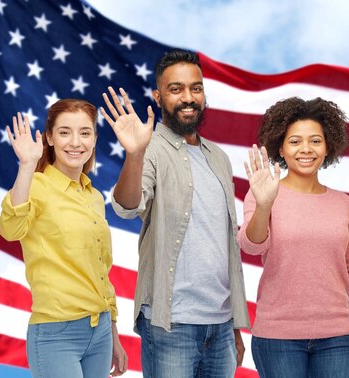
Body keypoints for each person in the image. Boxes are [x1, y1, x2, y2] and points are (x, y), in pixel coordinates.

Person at [99, 48, 250, 378]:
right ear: (158, 96)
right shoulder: (151, 149)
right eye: (176, 89)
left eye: (195, 88)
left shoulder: (219, 158)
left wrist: (235, 325)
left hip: (221, 327)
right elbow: (126, 207)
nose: (188, 97)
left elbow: (225, 246)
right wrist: (135, 154)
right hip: (170, 324)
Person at [238, 97, 349, 378]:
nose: (305, 149)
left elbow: (346, 274)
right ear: (280, 149)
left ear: (327, 146)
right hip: (278, 337)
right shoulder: (263, 194)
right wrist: (264, 205)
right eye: (295, 141)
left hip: (337, 338)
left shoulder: (343, 204)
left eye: (315, 141)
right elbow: (250, 245)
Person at [0, 99, 128, 378]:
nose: (75, 142)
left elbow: (101, 271)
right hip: (56, 334)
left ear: (94, 139)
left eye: (85, 132)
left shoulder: (93, 196)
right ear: (49, 138)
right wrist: (26, 166)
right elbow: (11, 229)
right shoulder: (36, 185)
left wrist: (113, 333)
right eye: (64, 132)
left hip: (101, 331)